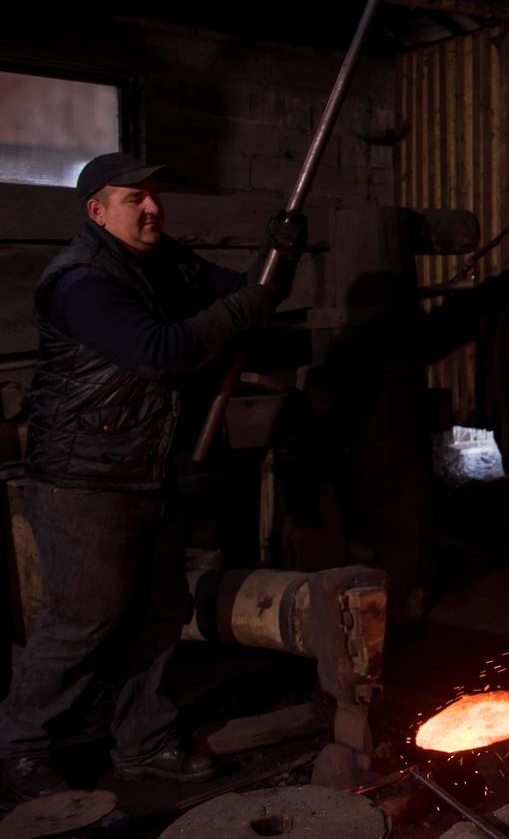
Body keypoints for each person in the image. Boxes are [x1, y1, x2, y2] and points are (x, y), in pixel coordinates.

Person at [0, 152, 305, 801]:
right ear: (96, 212)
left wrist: (279, 258)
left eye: (154, 195)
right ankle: (20, 747)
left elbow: (240, 293)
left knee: (160, 613)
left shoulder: (161, 260)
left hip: (146, 471)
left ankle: (144, 743)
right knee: (87, 618)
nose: (151, 208)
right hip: (82, 483)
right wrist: (254, 302)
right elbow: (158, 353)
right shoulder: (80, 282)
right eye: (133, 199)